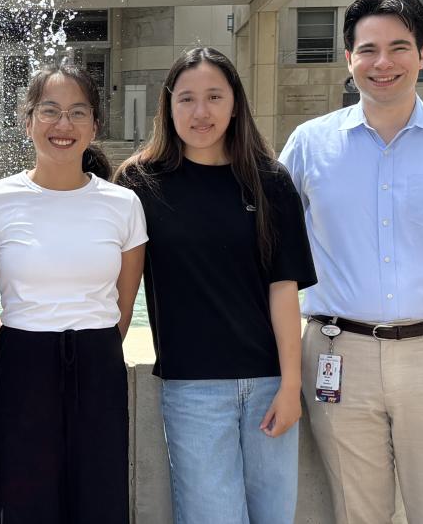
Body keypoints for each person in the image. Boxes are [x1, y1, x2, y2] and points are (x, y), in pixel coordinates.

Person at [279, 0, 423, 524]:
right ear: (348, 58)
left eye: (399, 47)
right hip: (337, 357)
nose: (383, 63)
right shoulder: (309, 146)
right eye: (368, 49)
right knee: (356, 514)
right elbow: (270, 251)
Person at [114, 47, 316, 524]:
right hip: (193, 390)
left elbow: (284, 289)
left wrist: (291, 385)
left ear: (234, 104)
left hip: (269, 384)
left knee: (273, 517)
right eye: (186, 99)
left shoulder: (270, 181)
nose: (200, 112)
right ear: (168, 106)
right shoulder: (140, 183)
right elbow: (119, 286)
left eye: (213, 97)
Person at [0, 62, 147, 524]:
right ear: (27, 120)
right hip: (23, 360)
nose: (63, 125)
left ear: (94, 124)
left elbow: (123, 306)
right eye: (49, 111)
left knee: (101, 498)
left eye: (77, 112)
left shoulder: (124, 205)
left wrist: (96, 351)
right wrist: (8, 361)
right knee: (25, 500)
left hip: (97, 362)